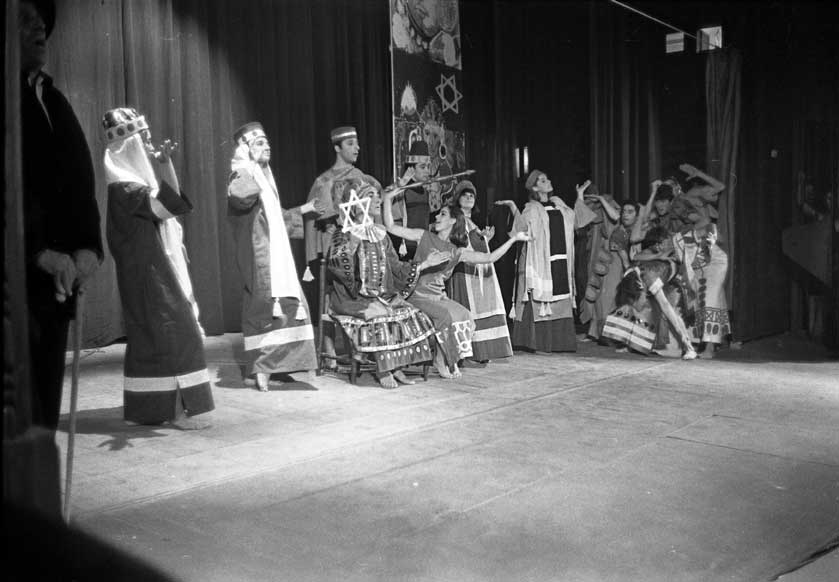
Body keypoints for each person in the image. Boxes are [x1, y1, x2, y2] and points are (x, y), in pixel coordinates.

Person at [20, 0, 103, 431]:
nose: (39, 27)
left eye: (41, 20)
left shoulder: (53, 99)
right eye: (24, 18)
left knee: (43, 422)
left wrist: (88, 246)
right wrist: (36, 252)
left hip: (53, 290)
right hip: (15, 287)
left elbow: (80, 181)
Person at [104, 108, 214, 425]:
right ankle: (174, 408)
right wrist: (165, 166)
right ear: (130, 146)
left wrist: (165, 166)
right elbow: (167, 206)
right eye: (144, 140)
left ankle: (157, 409)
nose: (149, 147)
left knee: (156, 340)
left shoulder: (131, 185)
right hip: (149, 275)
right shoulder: (124, 188)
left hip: (151, 271)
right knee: (179, 334)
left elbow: (172, 203)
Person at [383, 187, 530, 379]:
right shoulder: (424, 236)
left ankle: (445, 358)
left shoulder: (456, 252)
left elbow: (490, 257)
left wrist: (515, 240)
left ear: (453, 220)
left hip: (437, 297)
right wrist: (387, 200)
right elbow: (391, 227)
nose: (437, 216)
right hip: (416, 295)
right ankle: (443, 361)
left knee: (466, 316)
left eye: (442, 214)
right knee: (447, 316)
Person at [227, 122, 323, 391]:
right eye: (259, 143)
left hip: (277, 260)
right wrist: (244, 163)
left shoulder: (265, 181)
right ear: (245, 150)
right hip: (261, 261)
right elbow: (241, 198)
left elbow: (277, 219)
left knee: (291, 307)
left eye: (267, 142)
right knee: (265, 310)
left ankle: (279, 367)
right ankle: (262, 368)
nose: (267, 146)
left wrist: (305, 209)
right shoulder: (241, 176)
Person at [326, 175, 442, 389]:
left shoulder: (381, 234)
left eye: (378, 196)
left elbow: (396, 268)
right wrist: (352, 242)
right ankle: (383, 369)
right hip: (352, 298)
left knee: (411, 314)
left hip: (382, 295)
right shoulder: (344, 233)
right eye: (372, 196)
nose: (379, 200)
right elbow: (336, 267)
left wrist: (424, 264)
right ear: (358, 203)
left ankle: (396, 367)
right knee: (380, 317)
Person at [510, 170, 597, 353]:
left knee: (560, 297)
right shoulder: (531, 208)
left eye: (547, 178)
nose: (548, 181)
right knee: (541, 299)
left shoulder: (558, 204)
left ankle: (559, 342)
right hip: (542, 262)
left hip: (561, 260)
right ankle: (539, 343)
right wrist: (512, 207)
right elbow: (521, 230)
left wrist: (579, 196)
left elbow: (577, 222)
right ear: (535, 187)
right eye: (543, 180)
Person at [603, 226, 698, 360]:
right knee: (638, 309)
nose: (661, 247)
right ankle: (629, 342)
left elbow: (667, 308)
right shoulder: (631, 274)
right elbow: (638, 256)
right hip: (656, 277)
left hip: (676, 280)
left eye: (663, 242)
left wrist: (687, 345)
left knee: (668, 312)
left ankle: (688, 346)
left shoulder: (650, 276)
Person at [446, 180, 513, 362]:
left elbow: (478, 249)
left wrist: (486, 240)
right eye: (465, 194)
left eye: (472, 195)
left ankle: (483, 351)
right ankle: (469, 351)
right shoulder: (455, 220)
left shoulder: (472, 223)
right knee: (469, 311)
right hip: (465, 275)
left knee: (482, 309)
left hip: (481, 276)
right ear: (457, 198)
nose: (469, 198)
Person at [390, 140, 435, 259]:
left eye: (428, 167)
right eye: (422, 167)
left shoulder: (425, 192)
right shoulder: (402, 191)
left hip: (422, 246)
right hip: (406, 248)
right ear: (411, 169)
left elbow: (425, 220)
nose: (427, 171)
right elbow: (393, 220)